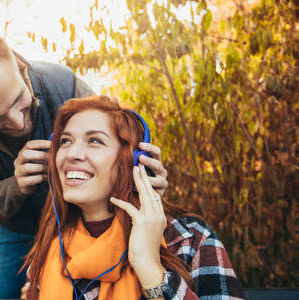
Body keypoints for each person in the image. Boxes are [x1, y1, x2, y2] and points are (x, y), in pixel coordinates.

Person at [0, 20, 169, 299]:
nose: (16, 122)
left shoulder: (65, 86)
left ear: (17, 61)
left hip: (78, 221)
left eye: (17, 100)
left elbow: (117, 152)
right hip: (12, 230)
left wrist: (143, 179)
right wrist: (16, 186)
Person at [24, 95, 245, 299]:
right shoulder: (49, 250)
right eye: (65, 141)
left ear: (135, 160)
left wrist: (150, 266)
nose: (72, 153)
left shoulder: (190, 240)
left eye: (95, 141)